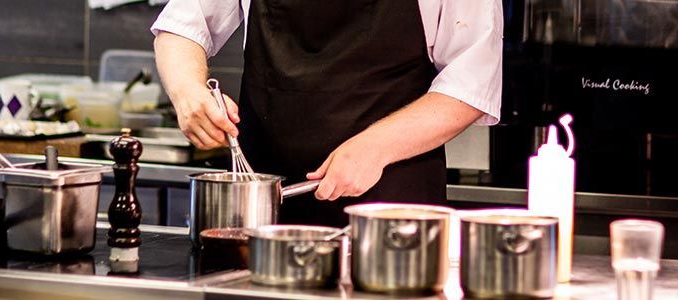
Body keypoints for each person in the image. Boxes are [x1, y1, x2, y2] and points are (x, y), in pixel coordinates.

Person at [152, 0, 502, 227]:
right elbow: (181, 26)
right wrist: (189, 93)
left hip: (389, 217)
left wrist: (376, 147)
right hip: (264, 212)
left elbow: (471, 82)